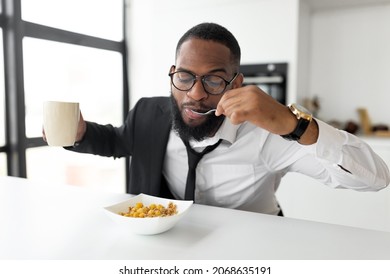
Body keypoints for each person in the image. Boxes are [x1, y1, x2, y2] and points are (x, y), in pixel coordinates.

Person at [48, 22, 389, 216]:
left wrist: (294, 124)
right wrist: (80, 133)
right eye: (184, 77)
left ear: (236, 83)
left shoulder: (268, 134)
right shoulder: (149, 111)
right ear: (172, 73)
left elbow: (374, 179)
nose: (195, 94)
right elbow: (119, 140)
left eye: (213, 80)